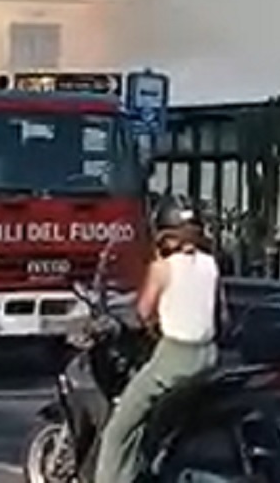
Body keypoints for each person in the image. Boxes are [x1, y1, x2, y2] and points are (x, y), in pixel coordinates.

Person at [94, 199, 222, 483]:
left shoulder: (162, 268)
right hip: (209, 356)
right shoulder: (211, 265)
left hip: (174, 359)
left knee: (119, 428)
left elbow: (142, 312)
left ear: (164, 235)